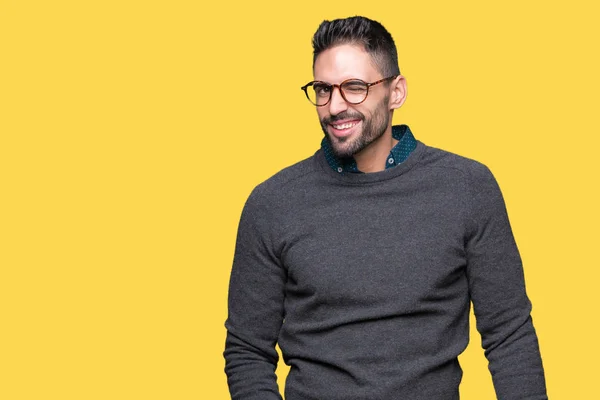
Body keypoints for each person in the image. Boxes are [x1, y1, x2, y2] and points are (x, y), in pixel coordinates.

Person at [223, 16, 547, 400]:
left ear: (396, 92)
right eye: (323, 89)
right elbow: (247, 351)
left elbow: (509, 336)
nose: (334, 106)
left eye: (355, 87)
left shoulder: (468, 188)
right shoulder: (273, 204)